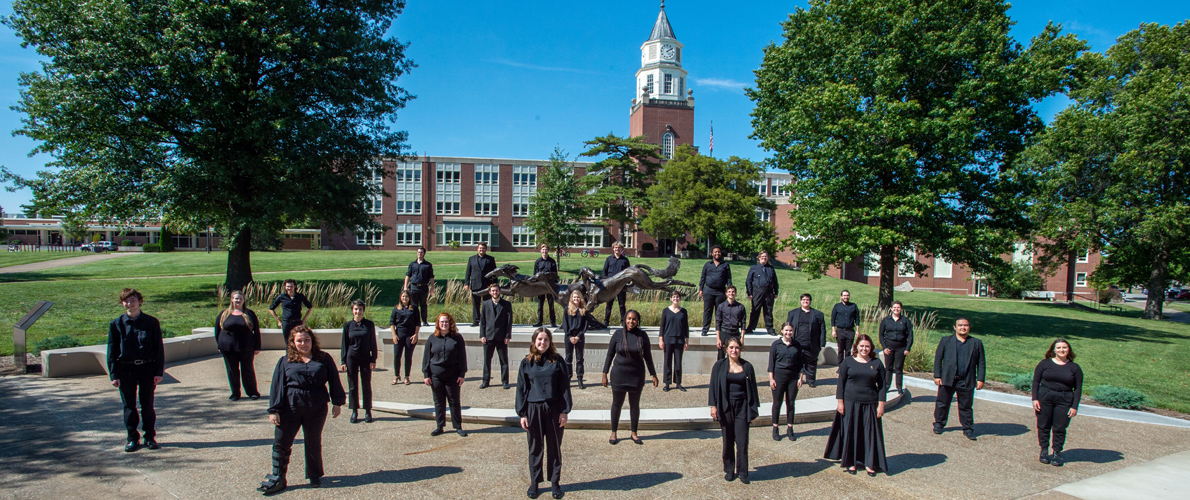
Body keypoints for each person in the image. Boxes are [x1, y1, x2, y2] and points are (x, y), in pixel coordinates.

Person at [260, 326, 346, 494]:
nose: (303, 343)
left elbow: (334, 381)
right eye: (299, 340)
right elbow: (277, 386)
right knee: (281, 442)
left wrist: (337, 402)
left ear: (312, 340)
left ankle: (314, 476)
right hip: (290, 407)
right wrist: (274, 410)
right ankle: (279, 476)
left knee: (313, 441)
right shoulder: (285, 361)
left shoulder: (324, 358)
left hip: (317, 406)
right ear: (293, 342)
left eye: (306, 340)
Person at [516, 328, 572, 499]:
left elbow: (564, 387)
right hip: (533, 409)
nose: (543, 343)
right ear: (534, 341)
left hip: (554, 409)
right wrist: (522, 414)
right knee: (535, 447)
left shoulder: (558, 361)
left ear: (550, 342)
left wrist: (564, 411)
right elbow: (521, 389)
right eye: (540, 339)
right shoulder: (527, 362)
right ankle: (535, 481)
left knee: (554, 447)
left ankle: (555, 482)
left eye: (546, 340)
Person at [107, 288, 165, 452]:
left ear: (139, 301)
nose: (129, 303)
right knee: (129, 407)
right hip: (125, 369)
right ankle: (132, 438)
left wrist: (158, 371)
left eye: (132, 300)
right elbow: (112, 351)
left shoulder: (151, 322)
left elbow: (158, 349)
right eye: (125, 301)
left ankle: (150, 437)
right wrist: (114, 374)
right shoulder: (116, 324)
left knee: (147, 405)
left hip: (147, 368)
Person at [824, 334, 888, 476]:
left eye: (867, 346)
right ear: (856, 347)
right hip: (850, 402)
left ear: (871, 348)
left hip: (870, 403)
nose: (864, 349)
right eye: (862, 346)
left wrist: (881, 405)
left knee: (869, 434)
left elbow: (883, 386)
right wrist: (840, 402)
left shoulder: (877, 364)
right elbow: (841, 384)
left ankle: (870, 463)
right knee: (851, 432)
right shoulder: (848, 362)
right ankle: (850, 462)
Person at [602, 310, 658, 445]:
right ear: (625, 319)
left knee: (634, 405)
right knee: (617, 404)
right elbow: (609, 354)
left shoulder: (642, 336)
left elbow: (648, 356)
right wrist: (604, 373)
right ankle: (614, 432)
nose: (631, 321)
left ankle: (634, 432)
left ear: (637, 321)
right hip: (619, 375)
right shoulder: (617, 334)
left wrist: (653, 374)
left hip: (636, 376)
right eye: (629, 318)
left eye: (634, 319)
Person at [709, 337, 760, 484]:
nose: (734, 350)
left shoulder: (747, 366)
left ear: (740, 349)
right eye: (731, 347)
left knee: (742, 441)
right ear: (726, 349)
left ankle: (743, 472)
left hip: (742, 406)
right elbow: (713, 387)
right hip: (725, 406)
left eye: (737, 347)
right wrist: (713, 406)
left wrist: (753, 409)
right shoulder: (719, 366)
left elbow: (753, 389)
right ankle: (729, 469)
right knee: (728, 440)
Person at [1032, 338, 1083, 467]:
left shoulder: (1074, 368)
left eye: (1064, 347)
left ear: (1068, 350)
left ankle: (1056, 453)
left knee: (1060, 427)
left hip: (1064, 399)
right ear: (1054, 349)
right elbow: (1035, 382)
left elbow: (1077, 389)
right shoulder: (1044, 364)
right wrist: (1035, 398)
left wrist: (1074, 406)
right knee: (1043, 425)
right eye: (1059, 347)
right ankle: (1044, 450)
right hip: (1045, 397)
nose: (1062, 350)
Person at [933, 318, 986, 440]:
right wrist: (937, 375)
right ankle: (939, 424)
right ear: (955, 327)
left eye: (966, 325)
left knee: (966, 406)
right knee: (942, 403)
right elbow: (938, 359)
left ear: (969, 327)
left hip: (966, 380)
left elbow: (981, 362)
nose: (963, 327)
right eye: (960, 325)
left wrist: (981, 379)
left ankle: (968, 428)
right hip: (947, 379)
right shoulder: (946, 341)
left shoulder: (976, 343)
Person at [422, 313, 468, 437]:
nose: (444, 324)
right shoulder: (432, 338)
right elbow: (426, 358)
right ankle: (440, 426)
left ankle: (458, 426)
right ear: (438, 323)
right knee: (439, 401)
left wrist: (462, 374)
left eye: (446, 322)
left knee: (454, 401)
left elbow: (462, 357)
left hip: (453, 376)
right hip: (436, 376)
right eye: (442, 322)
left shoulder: (457, 338)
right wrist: (426, 375)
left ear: (450, 323)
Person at [214, 290, 262, 401]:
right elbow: (217, 330)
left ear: (243, 300)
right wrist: (219, 345)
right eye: (236, 298)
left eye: (240, 298)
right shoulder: (224, 314)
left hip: (246, 347)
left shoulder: (249, 314)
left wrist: (257, 346)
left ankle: (252, 392)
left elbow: (256, 331)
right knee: (232, 371)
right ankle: (235, 393)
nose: (238, 300)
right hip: (228, 348)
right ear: (232, 300)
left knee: (248, 370)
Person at [340, 299, 377, 424]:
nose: (358, 311)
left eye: (360, 309)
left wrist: (373, 359)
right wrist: (343, 361)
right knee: (352, 385)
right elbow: (344, 344)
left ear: (363, 310)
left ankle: (367, 410)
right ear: (352, 310)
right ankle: (354, 410)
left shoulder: (369, 324)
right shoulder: (347, 326)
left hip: (365, 358)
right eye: (356, 309)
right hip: (352, 358)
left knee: (366, 385)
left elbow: (373, 343)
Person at [562, 289, 605, 390]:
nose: (576, 299)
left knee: (579, 359)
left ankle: (580, 379)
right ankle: (568, 378)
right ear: (571, 298)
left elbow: (585, 325)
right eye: (574, 297)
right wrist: (570, 336)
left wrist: (578, 336)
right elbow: (565, 324)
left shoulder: (584, 310)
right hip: (569, 336)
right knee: (568, 359)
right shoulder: (567, 309)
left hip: (579, 337)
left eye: (578, 297)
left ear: (580, 298)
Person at [768, 322, 803, 441]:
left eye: (790, 331)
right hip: (779, 376)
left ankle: (790, 428)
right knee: (777, 403)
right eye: (786, 330)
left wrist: (800, 378)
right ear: (782, 331)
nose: (788, 333)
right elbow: (771, 364)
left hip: (793, 377)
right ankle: (775, 427)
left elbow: (800, 363)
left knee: (791, 403)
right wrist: (771, 379)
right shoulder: (776, 345)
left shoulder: (797, 345)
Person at [785, 293, 825, 386]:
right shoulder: (792, 313)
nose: (805, 301)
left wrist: (821, 343)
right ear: (800, 301)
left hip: (811, 345)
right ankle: (794, 380)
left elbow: (822, 329)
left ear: (810, 302)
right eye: (803, 300)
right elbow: (787, 327)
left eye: (807, 300)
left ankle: (811, 381)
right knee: (794, 363)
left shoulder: (818, 314)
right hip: (796, 343)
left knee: (811, 364)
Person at [480, 283, 513, 389]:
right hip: (488, 336)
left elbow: (509, 321)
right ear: (490, 292)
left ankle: (505, 381)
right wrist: (482, 335)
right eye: (493, 291)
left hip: (501, 337)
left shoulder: (506, 304)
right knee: (487, 360)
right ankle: (485, 381)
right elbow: (483, 321)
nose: (495, 292)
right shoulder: (485, 304)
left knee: (504, 360)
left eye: (496, 290)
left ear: (500, 291)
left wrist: (507, 335)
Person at [878, 301, 914, 394]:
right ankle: (886, 386)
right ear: (891, 309)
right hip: (889, 347)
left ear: (901, 309)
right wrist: (884, 347)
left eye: (898, 307)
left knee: (898, 368)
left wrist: (907, 348)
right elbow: (881, 335)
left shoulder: (906, 321)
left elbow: (910, 335)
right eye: (894, 307)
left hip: (901, 348)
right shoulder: (886, 320)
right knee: (888, 368)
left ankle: (899, 387)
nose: (896, 309)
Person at [658, 290, 690, 392]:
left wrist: (687, 341)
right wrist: (661, 340)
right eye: (674, 297)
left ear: (679, 298)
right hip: (668, 339)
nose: (676, 299)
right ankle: (667, 383)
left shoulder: (683, 311)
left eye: (677, 297)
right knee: (667, 362)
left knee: (678, 363)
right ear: (671, 298)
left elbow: (686, 327)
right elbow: (662, 326)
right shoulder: (666, 311)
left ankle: (678, 383)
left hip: (679, 340)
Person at [698, 245, 732, 336]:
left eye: (719, 252)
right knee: (707, 310)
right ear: (712, 253)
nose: (717, 253)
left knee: (720, 311)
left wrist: (729, 291)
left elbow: (729, 279)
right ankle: (705, 329)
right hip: (708, 290)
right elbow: (703, 278)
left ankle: (720, 329)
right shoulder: (707, 265)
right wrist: (701, 289)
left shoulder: (725, 265)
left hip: (720, 291)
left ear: (721, 253)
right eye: (715, 252)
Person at [389, 291, 421, 386]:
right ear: (400, 297)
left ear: (409, 298)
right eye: (403, 296)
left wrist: (416, 334)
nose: (404, 298)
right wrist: (394, 335)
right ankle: (396, 375)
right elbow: (392, 323)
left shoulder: (414, 309)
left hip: (410, 335)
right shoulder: (396, 309)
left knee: (408, 356)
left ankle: (407, 376)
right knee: (397, 355)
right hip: (399, 334)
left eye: (406, 296)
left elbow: (418, 323)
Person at [745, 250, 779, 335]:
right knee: (755, 310)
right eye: (762, 256)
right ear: (759, 258)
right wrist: (749, 293)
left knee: (768, 311)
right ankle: (750, 328)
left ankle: (770, 329)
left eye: (765, 256)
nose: (764, 258)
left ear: (768, 258)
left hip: (769, 292)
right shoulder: (754, 268)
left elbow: (775, 281)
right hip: (757, 291)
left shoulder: (771, 268)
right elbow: (748, 281)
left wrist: (776, 292)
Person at [464, 242, 498, 326]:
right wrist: (466, 283)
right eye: (480, 248)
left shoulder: (490, 259)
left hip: (487, 285)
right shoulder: (471, 259)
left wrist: (495, 285)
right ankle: (476, 321)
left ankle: (486, 321)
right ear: (477, 249)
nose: (481, 250)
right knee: (476, 304)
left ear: (486, 249)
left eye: (483, 248)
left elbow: (495, 273)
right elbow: (468, 272)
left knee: (487, 304)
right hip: (475, 284)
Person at [403, 246, 435, 326]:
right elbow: (408, 275)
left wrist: (432, 287)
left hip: (423, 287)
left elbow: (431, 277)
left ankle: (424, 321)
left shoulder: (428, 265)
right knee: (413, 305)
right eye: (418, 252)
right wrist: (405, 286)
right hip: (414, 287)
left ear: (424, 254)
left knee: (423, 304)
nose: (419, 254)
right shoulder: (412, 264)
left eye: (421, 252)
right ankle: (415, 321)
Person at [601, 242, 631, 326]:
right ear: (613, 248)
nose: (617, 249)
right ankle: (606, 321)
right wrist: (605, 282)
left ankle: (623, 322)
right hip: (610, 286)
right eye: (616, 247)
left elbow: (628, 272)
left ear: (621, 249)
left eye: (619, 248)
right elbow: (604, 271)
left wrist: (627, 281)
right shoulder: (609, 259)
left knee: (622, 305)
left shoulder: (625, 260)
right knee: (609, 304)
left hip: (621, 285)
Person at [715, 285, 747, 360]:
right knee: (721, 356)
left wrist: (742, 338)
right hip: (724, 333)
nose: (731, 293)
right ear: (726, 293)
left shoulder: (741, 307)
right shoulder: (721, 306)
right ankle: (720, 371)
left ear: (735, 293)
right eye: (729, 292)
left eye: (733, 292)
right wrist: (718, 338)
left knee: (735, 355)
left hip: (735, 333)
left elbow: (743, 323)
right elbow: (718, 323)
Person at [534, 244, 559, 328]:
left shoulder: (552, 261)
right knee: (540, 304)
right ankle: (539, 321)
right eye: (543, 249)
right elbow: (535, 275)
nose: (544, 251)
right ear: (541, 251)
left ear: (548, 251)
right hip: (541, 286)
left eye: (546, 250)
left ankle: (553, 322)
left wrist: (555, 286)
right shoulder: (538, 262)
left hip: (550, 286)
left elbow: (555, 274)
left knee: (551, 304)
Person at [830, 290, 859, 363]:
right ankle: (840, 366)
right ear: (841, 296)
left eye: (847, 295)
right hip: (840, 330)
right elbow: (833, 318)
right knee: (840, 350)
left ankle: (847, 365)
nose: (846, 297)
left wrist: (858, 331)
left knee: (848, 350)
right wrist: (833, 330)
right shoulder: (837, 306)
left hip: (850, 331)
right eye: (844, 295)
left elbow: (857, 319)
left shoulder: (853, 306)